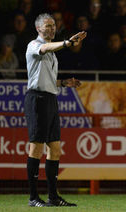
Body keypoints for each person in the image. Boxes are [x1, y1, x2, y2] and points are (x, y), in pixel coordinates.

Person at [24, 13, 86, 207]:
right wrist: (67, 43)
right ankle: (33, 197)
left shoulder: (52, 52)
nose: (51, 28)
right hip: (37, 99)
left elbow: (47, 78)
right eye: (47, 26)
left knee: (56, 149)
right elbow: (45, 47)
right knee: (37, 147)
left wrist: (63, 82)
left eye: (53, 25)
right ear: (38, 29)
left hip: (51, 98)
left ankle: (52, 197)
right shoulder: (34, 45)